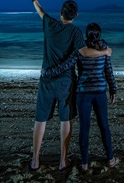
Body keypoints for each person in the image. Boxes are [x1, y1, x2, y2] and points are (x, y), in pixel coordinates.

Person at [28, 0, 111, 172]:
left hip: (47, 80)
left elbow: (40, 11)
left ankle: (35, 160)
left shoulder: (50, 24)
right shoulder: (75, 32)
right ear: (76, 15)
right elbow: (85, 53)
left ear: (61, 13)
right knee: (65, 120)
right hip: (66, 82)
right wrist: (104, 52)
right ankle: (63, 160)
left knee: (40, 120)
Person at [42, 22, 119, 172]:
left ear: (86, 34)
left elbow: (65, 65)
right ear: (100, 34)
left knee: (85, 128)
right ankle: (110, 159)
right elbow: (108, 70)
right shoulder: (105, 49)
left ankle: (84, 164)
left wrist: (48, 72)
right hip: (100, 93)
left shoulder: (81, 50)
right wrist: (113, 89)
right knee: (104, 126)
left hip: (83, 93)